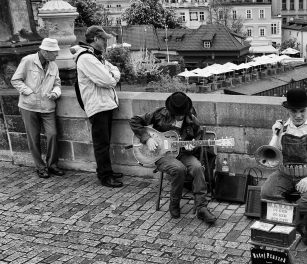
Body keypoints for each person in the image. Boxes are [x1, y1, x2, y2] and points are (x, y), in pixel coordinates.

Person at [129, 92, 217, 224]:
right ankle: (174, 204)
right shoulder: (160, 113)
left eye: (182, 113)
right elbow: (134, 121)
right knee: (178, 169)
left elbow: (197, 140)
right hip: (162, 155)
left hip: (182, 153)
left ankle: (202, 208)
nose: (180, 115)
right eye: (177, 112)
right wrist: (147, 139)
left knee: (198, 167)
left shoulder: (192, 120)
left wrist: (192, 147)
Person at [260, 88, 307, 246]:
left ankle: (291, 220)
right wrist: (275, 134)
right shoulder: (282, 128)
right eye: (294, 111)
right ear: (288, 110)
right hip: (285, 173)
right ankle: (299, 222)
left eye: (302, 111)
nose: (299, 115)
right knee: (266, 193)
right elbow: (273, 153)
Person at [71, 26, 123, 188]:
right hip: (98, 105)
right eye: (103, 39)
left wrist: (111, 74)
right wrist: (112, 76)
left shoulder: (95, 56)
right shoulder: (87, 58)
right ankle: (105, 175)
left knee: (105, 142)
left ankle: (106, 170)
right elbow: (108, 80)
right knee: (101, 143)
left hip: (104, 104)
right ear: (95, 39)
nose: (106, 42)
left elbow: (113, 71)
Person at [11, 38, 64, 178]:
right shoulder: (28, 60)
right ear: (46, 52)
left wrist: (55, 92)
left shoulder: (54, 65)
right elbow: (15, 80)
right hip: (29, 106)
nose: (57, 55)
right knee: (33, 138)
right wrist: (28, 92)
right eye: (55, 52)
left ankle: (52, 165)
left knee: (52, 134)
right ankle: (40, 167)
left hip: (48, 106)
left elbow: (57, 83)